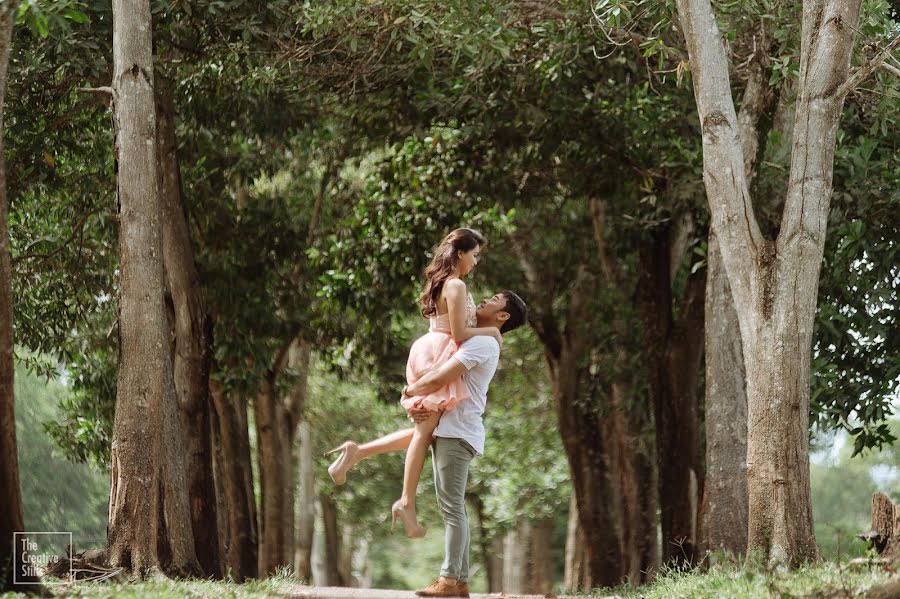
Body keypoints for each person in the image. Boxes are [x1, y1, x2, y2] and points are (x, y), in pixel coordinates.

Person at [328, 289, 527, 598]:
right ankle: (458, 581)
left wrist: (409, 392)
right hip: (451, 428)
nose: (487, 300)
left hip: (457, 433)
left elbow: (439, 378)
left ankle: (448, 580)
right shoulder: (484, 337)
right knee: (454, 507)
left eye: (496, 300)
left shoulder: (484, 343)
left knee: (452, 509)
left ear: (503, 316)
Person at [325, 228, 502, 538]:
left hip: (431, 347)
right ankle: (406, 501)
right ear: (460, 253)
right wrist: (493, 333)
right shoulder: (456, 285)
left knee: (427, 431)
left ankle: (358, 452)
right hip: (439, 351)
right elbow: (459, 333)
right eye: (475, 254)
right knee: (425, 433)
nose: (476, 261)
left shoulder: (446, 283)